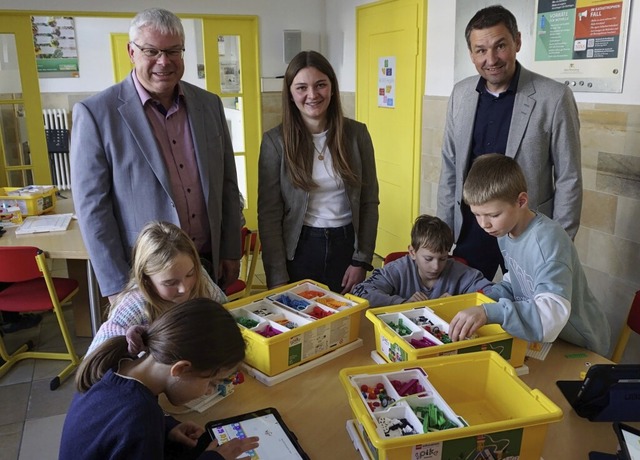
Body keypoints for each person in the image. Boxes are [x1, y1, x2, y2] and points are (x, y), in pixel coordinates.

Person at [71, 8, 242, 304]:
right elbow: (92, 209)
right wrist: (115, 285)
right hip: (145, 276)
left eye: (173, 51)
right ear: (131, 52)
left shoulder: (209, 105)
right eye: (151, 51)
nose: (164, 61)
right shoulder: (96, 114)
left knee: (210, 346)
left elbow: (227, 183)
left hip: (206, 263)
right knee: (158, 349)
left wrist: (229, 249)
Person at [436, 5, 582, 281]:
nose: (491, 59)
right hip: (471, 226)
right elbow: (450, 164)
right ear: (471, 53)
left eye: (500, 46)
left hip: (527, 231)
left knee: (525, 313)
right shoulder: (461, 94)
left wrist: (559, 243)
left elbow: (569, 177)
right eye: (480, 50)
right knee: (464, 306)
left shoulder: (554, 97)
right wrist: (444, 229)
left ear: (517, 41)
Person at [448, 154, 609, 356]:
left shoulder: (547, 242)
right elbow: (516, 280)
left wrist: (490, 312)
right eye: (477, 214)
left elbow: (550, 315)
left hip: (579, 345)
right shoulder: (505, 231)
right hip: (546, 339)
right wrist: (483, 301)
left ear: (521, 201)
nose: (484, 224)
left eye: (493, 215)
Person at [59, 298, 259, 460]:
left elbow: (116, 434)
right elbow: (132, 428)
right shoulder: (141, 416)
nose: (208, 391)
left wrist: (166, 429)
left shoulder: (119, 365)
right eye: (212, 383)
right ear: (180, 369)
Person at [258, 50, 379, 294]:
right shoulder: (275, 142)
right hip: (300, 249)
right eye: (301, 87)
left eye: (320, 85)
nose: (312, 95)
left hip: (347, 247)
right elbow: (269, 216)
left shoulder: (357, 135)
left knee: (344, 322)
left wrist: (362, 259)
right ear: (291, 94)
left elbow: (369, 202)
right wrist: (278, 277)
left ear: (332, 88)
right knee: (301, 325)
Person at [85, 221, 227, 356]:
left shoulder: (200, 276)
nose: (184, 288)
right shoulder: (134, 305)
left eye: (190, 274)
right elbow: (94, 362)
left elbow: (224, 310)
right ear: (146, 279)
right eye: (170, 283)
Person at [352, 215, 492, 307]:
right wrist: (403, 303)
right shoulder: (399, 269)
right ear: (413, 252)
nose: (436, 266)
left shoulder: (459, 272)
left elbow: (492, 292)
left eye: (443, 258)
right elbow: (360, 292)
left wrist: (458, 303)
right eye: (428, 259)